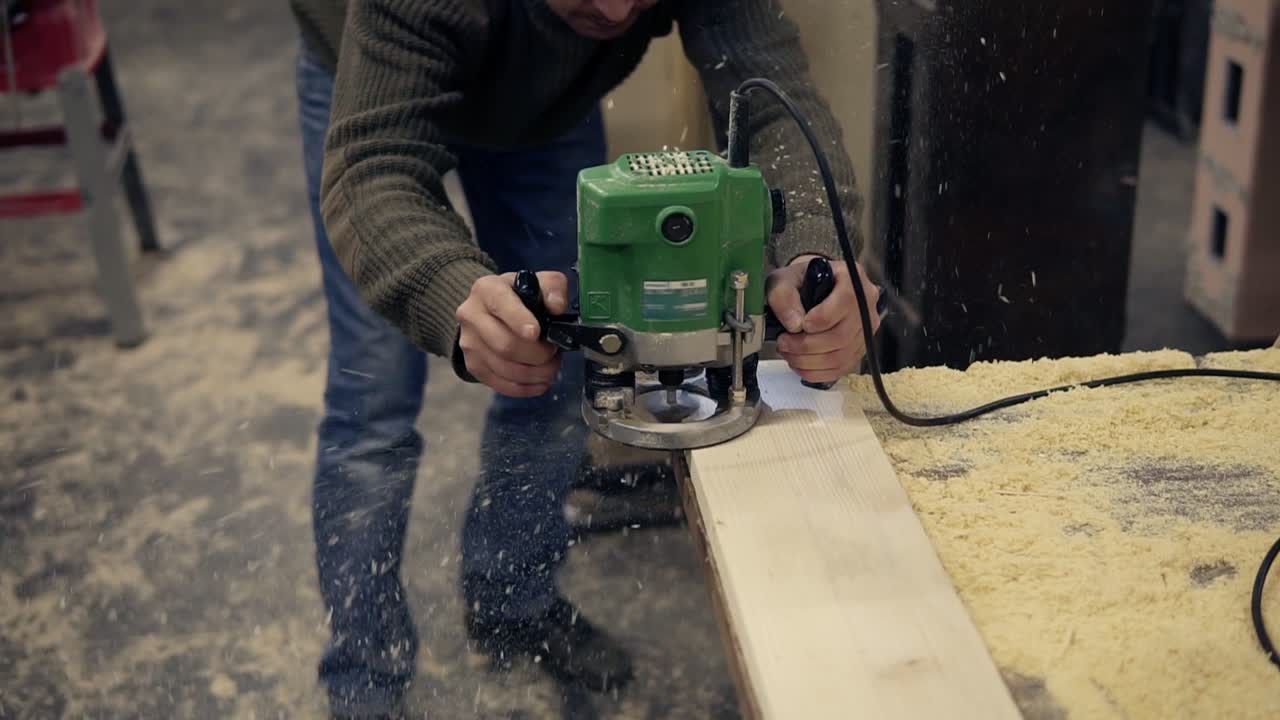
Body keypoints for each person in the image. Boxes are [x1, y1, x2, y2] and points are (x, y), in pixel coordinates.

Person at [290, 0, 882, 716]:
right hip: (370, 72)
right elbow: (374, 170)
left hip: (548, 109)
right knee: (373, 404)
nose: (613, 8)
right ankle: (365, 679)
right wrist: (452, 295)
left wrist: (819, 250)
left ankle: (513, 600)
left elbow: (774, 102)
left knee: (571, 348)